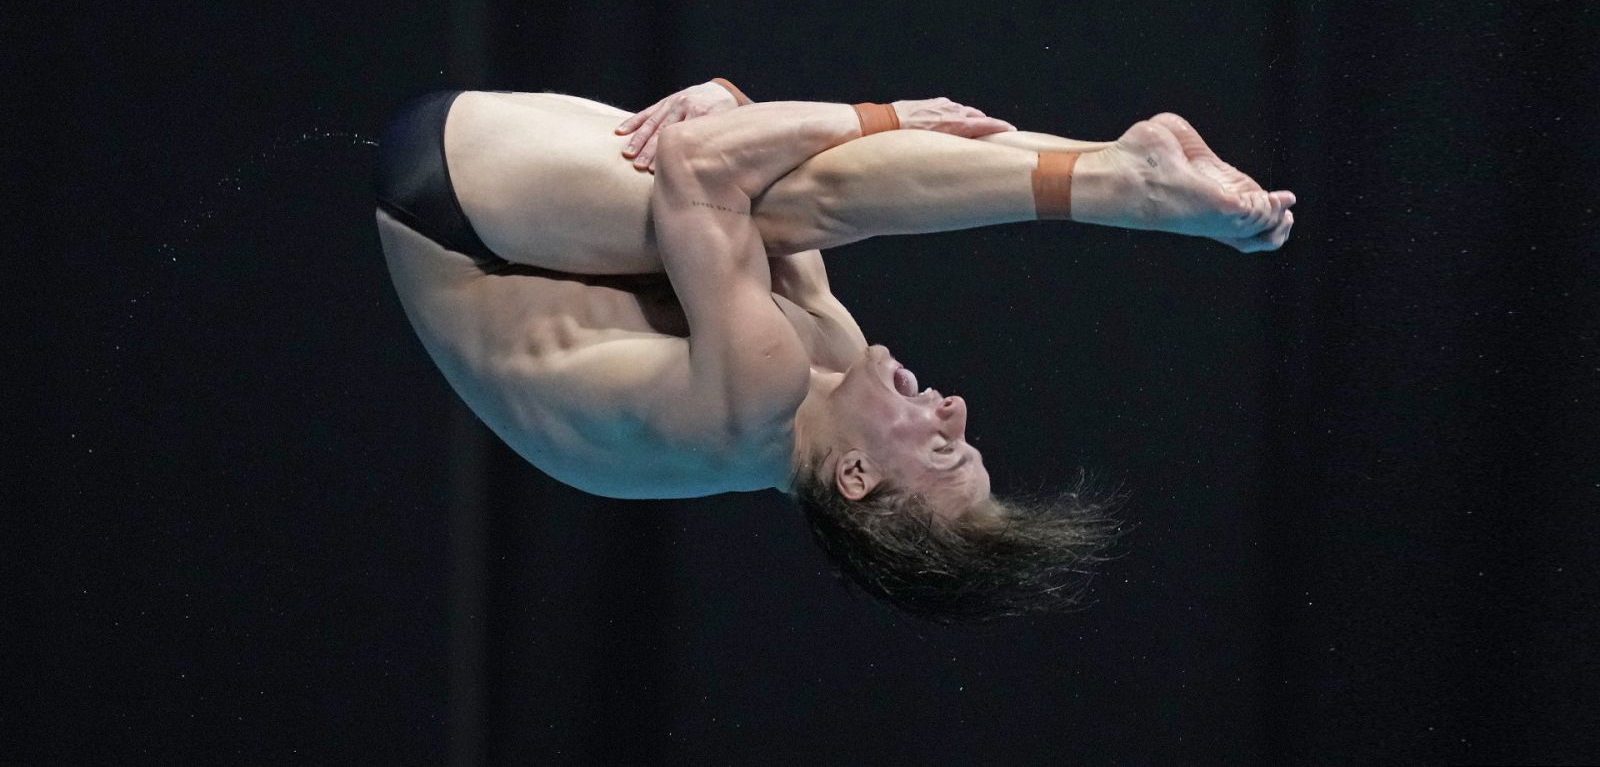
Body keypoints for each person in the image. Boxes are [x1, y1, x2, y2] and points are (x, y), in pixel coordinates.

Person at [373, 79, 1296, 622]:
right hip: (543, 240)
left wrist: (881, 113)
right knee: (801, 192)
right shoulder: (824, 359)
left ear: (854, 477)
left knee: (800, 193)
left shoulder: (756, 401)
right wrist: (736, 104)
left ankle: (1124, 186)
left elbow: (707, 166)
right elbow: (747, 153)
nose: (953, 409)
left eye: (943, 448)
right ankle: (1125, 172)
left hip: (453, 215)